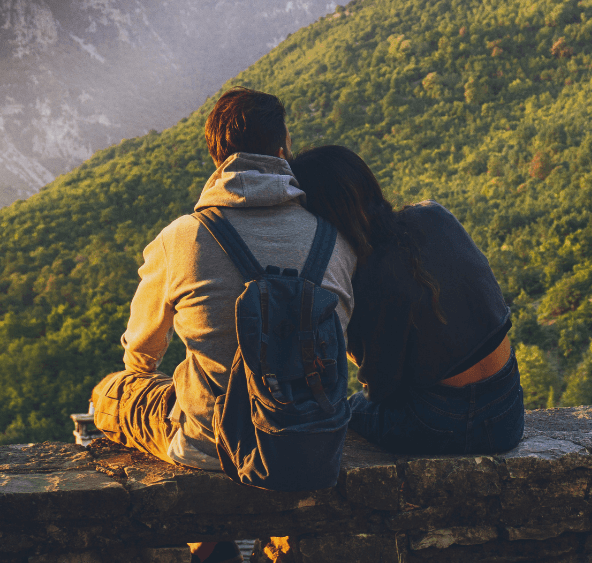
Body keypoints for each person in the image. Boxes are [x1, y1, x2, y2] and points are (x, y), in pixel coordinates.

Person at [91, 90, 356, 563]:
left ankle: (210, 546)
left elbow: (141, 351)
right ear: (283, 150)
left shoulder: (181, 237)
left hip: (207, 443)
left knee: (111, 391)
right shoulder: (333, 238)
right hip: (309, 437)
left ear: (217, 157)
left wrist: (149, 368)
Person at [290, 145, 524, 455]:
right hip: (509, 410)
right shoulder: (433, 214)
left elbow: (382, 389)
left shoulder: (370, 275)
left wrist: (347, 336)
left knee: (345, 410)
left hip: (444, 421)